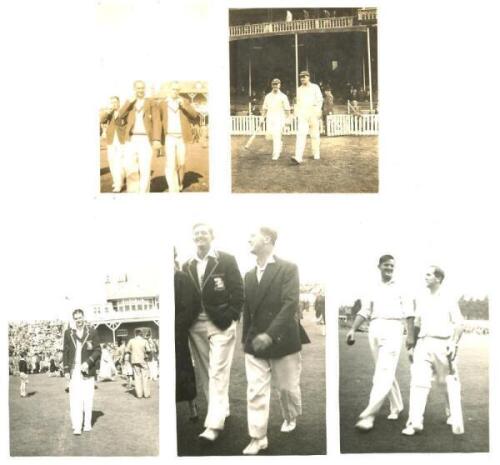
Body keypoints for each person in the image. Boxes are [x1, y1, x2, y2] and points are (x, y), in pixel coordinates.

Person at [242, 227, 310, 455]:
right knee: (255, 391)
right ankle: (257, 437)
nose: (248, 238)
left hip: (283, 339)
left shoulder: (288, 269)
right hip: (255, 344)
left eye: (252, 235)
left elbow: (290, 304)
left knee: (287, 389)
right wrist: (247, 341)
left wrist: (269, 335)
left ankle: (290, 417)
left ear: (267, 239)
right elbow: (248, 311)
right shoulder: (249, 275)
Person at [182, 223, 244, 442]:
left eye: (204, 233)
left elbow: (238, 290)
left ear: (212, 236)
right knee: (207, 372)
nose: (200, 236)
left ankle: (213, 425)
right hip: (196, 325)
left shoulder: (225, 259)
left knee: (217, 371)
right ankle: (222, 410)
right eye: (196, 233)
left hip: (221, 323)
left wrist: (232, 315)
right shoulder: (187, 264)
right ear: (193, 237)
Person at [346, 255, 414, 431]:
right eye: (386, 265)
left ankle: (369, 415)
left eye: (392, 265)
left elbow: (409, 313)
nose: (389, 268)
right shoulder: (372, 288)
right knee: (384, 370)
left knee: (382, 372)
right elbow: (365, 310)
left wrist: (411, 335)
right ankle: (397, 406)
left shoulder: (402, 287)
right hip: (374, 328)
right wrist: (353, 329)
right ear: (379, 266)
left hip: (393, 328)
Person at [402, 266, 465, 436]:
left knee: (446, 385)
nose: (425, 277)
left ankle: (452, 414)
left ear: (438, 278)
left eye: (429, 274)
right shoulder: (421, 298)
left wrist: (453, 343)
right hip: (423, 343)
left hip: (443, 345)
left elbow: (459, 324)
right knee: (418, 383)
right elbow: (416, 323)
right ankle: (415, 422)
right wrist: (412, 345)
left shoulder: (449, 298)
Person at [62, 309, 102, 435]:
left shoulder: (92, 331)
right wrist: (66, 370)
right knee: (74, 399)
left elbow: (97, 350)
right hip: (74, 370)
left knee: (88, 398)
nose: (78, 320)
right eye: (76, 318)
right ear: (73, 319)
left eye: (80, 317)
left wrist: (88, 362)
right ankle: (77, 426)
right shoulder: (68, 333)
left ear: (84, 317)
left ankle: (87, 424)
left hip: (88, 370)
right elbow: (65, 352)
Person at [156, 82, 200, 193]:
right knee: (170, 163)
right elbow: (158, 121)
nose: (175, 92)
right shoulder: (162, 103)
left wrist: (184, 105)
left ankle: (180, 182)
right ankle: (173, 187)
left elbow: (194, 115)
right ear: (169, 90)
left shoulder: (184, 101)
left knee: (181, 163)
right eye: (173, 89)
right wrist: (158, 139)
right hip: (169, 137)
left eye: (177, 90)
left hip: (181, 137)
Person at [118, 80, 161, 193]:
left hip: (146, 139)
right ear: (134, 89)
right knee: (130, 168)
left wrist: (156, 139)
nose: (140, 90)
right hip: (131, 139)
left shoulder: (151, 102)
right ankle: (133, 192)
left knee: (145, 168)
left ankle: (144, 193)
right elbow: (120, 116)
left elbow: (157, 121)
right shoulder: (130, 103)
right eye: (138, 88)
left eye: (142, 88)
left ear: (144, 89)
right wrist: (128, 102)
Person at [175, 251, 198, 421]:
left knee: (184, 371)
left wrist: (177, 325)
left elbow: (191, 306)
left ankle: (192, 407)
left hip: (178, 333)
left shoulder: (181, 278)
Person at [292, 71, 323, 164]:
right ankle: (298, 156)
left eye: (304, 77)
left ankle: (316, 153)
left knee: (315, 135)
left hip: (313, 113)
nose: (302, 79)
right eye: (301, 77)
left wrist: (317, 110)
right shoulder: (299, 89)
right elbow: (297, 102)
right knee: (301, 134)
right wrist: (297, 113)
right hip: (303, 114)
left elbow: (320, 99)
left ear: (308, 77)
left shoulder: (315, 87)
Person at [100, 96, 127, 192]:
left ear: (119, 102)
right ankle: (117, 181)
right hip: (110, 140)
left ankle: (119, 184)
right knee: (111, 161)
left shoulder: (124, 111)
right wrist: (108, 111)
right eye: (112, 102)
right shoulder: (109, 113)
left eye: (115, 102)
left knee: (119, 162)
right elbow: (101, 119)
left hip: (121, 140)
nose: (114, 104)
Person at [262, 78, 291, 160]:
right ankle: (280, 144)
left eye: (277, 84)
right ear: (272, 85)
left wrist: (287, 119)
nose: (275, 86)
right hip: (270, 118)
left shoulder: (283, 96)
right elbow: (264, 108)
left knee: (276, 135)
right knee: (270, 136)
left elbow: (287, 109)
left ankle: (276, 153)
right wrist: (262, 117)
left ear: (279, 85)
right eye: (274, 84)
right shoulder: (268, 96)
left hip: (279, 118)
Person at [126, 329, 152, 399]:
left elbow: (127, 350)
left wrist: (133, 353)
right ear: (141, 334)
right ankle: (146, 394)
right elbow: (149, 350)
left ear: (135, 334)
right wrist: (146, 355)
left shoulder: (131, 341)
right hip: (143, 360)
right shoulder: (144, 341)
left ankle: (139, 394)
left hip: (134, 360)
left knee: (137, 377)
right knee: (145, 377)